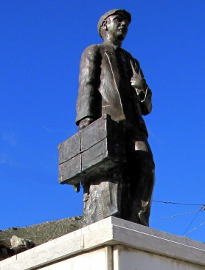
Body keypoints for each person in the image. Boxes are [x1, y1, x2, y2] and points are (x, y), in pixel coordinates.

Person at [76, 9, 155, 225]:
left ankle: (138, 221)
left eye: (126, 22)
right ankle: (112, 217)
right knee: (113, 174)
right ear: (105, 26)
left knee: (145, 164)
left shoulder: (132, 61)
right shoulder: (95, 51)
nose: (123, 25)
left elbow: (147, 107)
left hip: (135, 126)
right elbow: (87, 86)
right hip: (108, 123)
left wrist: (142, 89)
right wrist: (86, 124)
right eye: (118, 20)